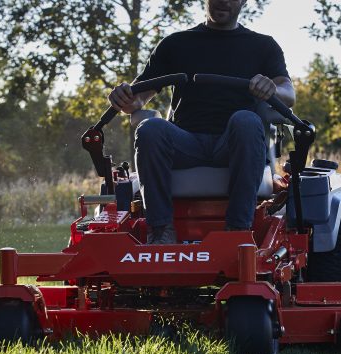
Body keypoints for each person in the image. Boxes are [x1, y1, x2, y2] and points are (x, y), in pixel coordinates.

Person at [108, 0, 296, 244]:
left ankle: (238, 231)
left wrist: (271, 89)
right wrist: (123, 98)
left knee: (246, 120)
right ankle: (161, 231)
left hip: (234, 143)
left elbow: (288, 95)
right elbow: (137, 99)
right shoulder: (176, 44)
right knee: (150, 128)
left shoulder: (263, 46)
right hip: (185, 144)